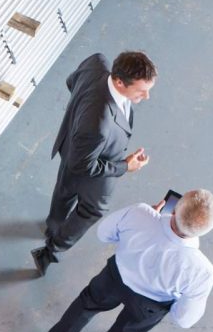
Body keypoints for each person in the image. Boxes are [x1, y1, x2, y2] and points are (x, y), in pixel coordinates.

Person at [41, 189, 213, 332]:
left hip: (113, 277)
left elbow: (103, 234)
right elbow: (184, 319)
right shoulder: (202, 271)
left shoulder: (139, 213)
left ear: (174, 209)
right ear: (204, 230)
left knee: (85, 306)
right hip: (149, 306)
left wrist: (145, 219)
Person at [32, 51, 156, 276]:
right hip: (90, 162)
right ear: (119, 82)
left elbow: (71, 82)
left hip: (72, 147)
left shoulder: (97, 62)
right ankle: (51, 250)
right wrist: (125, 166)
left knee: (65, 188)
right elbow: (84, 166)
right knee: (92, 209)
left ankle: (53, 225)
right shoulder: (98, 124)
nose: (146, 96)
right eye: (141, 91)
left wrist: (79, 122)